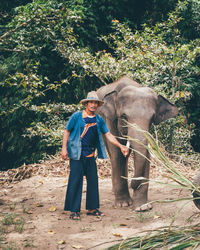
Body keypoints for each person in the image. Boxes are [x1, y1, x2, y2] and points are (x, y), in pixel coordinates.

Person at [61, 91, 129, 220]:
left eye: (95, 103)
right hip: (77, 155)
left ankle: (92, 209)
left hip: (90, 155)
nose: (93, 105)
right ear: (86, 104)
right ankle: (74, 210)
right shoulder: (76, 117)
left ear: (98, 105)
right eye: (91, 102)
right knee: (75, 182)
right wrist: (64, 148)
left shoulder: (99, 119)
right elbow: (67, 131)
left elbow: (108, 135)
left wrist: (121, 146)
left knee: (93, 181)